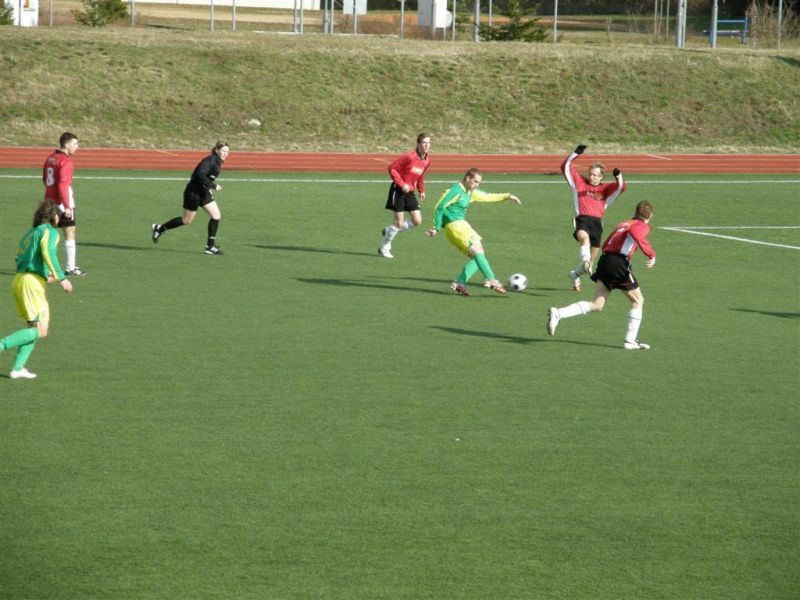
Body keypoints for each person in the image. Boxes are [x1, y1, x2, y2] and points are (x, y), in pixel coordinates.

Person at [547, 200, 656, 350]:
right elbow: (635, 234)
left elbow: (606, 244)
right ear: (650, 215)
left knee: (597, 305)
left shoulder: (624, 223)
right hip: (618, 262)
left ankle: (559, 313)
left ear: (636, 212)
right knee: (638, 300)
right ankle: (630, 341)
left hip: (605, 260)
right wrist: (651, 254)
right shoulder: (641, 225)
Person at [0, 200, 74, 379]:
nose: (59, 219)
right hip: (31, 284)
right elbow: (48, 252)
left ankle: (17, 368)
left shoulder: (30, 233)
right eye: (58, 215)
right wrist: (61, 277)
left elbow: (20, 258)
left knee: (33, 328)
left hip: (20, 280)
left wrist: (44, 274)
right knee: (42, 330)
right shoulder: (50, 231)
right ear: (53, 216)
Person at [425, 168, 521, 296]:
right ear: (467, 178)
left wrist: (507, 196)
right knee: (478, 252)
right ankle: (491, 279)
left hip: (462, 226)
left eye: (479, 183)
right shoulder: (456, 190)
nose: (477, 185)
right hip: (455, 227)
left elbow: (487, 197)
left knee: (480, 255)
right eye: (475, 181)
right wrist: (436, 227)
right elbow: (439, 207)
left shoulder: (470, 192)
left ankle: (460, 282)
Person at [560, 144, 626, 292]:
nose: (592, 177)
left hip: (597, 224)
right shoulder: (579, 183)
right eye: (590, 174)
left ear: (601, 177)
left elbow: (620, 187)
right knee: (583, 238)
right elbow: (565, 166)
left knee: (591, 262)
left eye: (596, 175)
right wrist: (576, 153)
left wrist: (618, 176)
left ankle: (575, 275)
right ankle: (585, 260)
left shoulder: (605, 189)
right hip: (582, 219)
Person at [151, 141, 230, 255]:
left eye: (227, 151)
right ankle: (159, 228)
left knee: (216, 215)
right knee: (186, 220)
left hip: (203, 192)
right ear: (217, 150)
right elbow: (200, 174)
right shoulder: (210, 160)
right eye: (223, 151)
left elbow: (206, 178)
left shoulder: (217, 161)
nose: (225, 153)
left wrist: (208, 188)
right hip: (193, 193)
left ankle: (210, 246)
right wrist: (213, 186)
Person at [377, 133, 431, 259]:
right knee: (398, 222)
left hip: (410, 192)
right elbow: (392, 169)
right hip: (399, 191)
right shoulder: (409, 156)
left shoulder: (427, 160)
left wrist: (421, 190)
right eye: (424, 142)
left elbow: (421, 175)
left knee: (417, 221)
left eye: (429, 143)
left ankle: (389, 231)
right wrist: (401, 184)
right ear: (418, 144)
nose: (427, 145)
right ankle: (384, 247)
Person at [43, 131, 85, 276]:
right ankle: (70, 267)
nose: (77, 147)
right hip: (61, 202)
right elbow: (62, 185)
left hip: (49, 200)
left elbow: (45, 179)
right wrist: (66, 207)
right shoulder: (65, 162)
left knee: (47, 232)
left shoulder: (51, 158)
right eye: (75, 144)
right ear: (67, 145)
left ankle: (42, 265)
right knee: (69, 231)